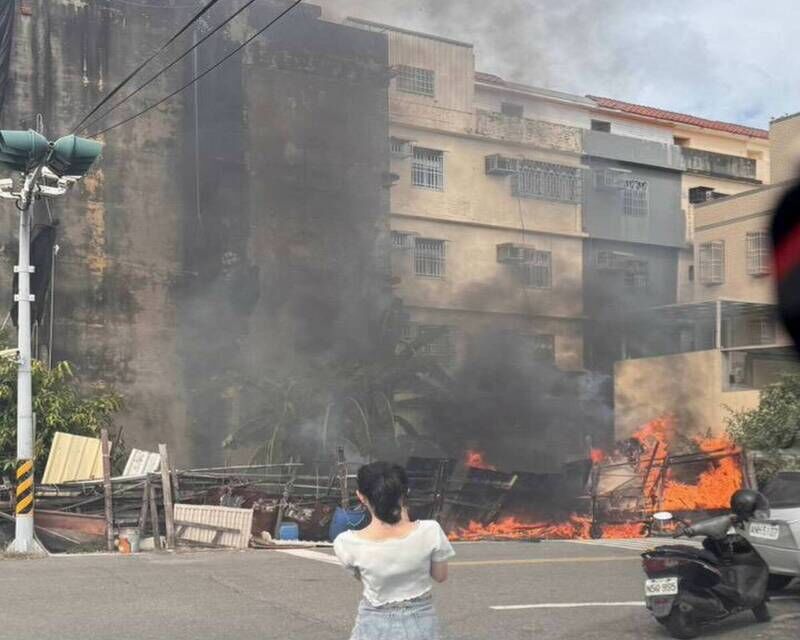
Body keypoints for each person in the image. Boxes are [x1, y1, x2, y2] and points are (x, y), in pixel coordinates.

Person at [333, 461, 455, 640]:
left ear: (361, 495)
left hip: (373, 625)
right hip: (421, 623)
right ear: (405, 493)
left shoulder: (346, 542)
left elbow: (363, 578)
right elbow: (440, 576)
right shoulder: (431, 530)